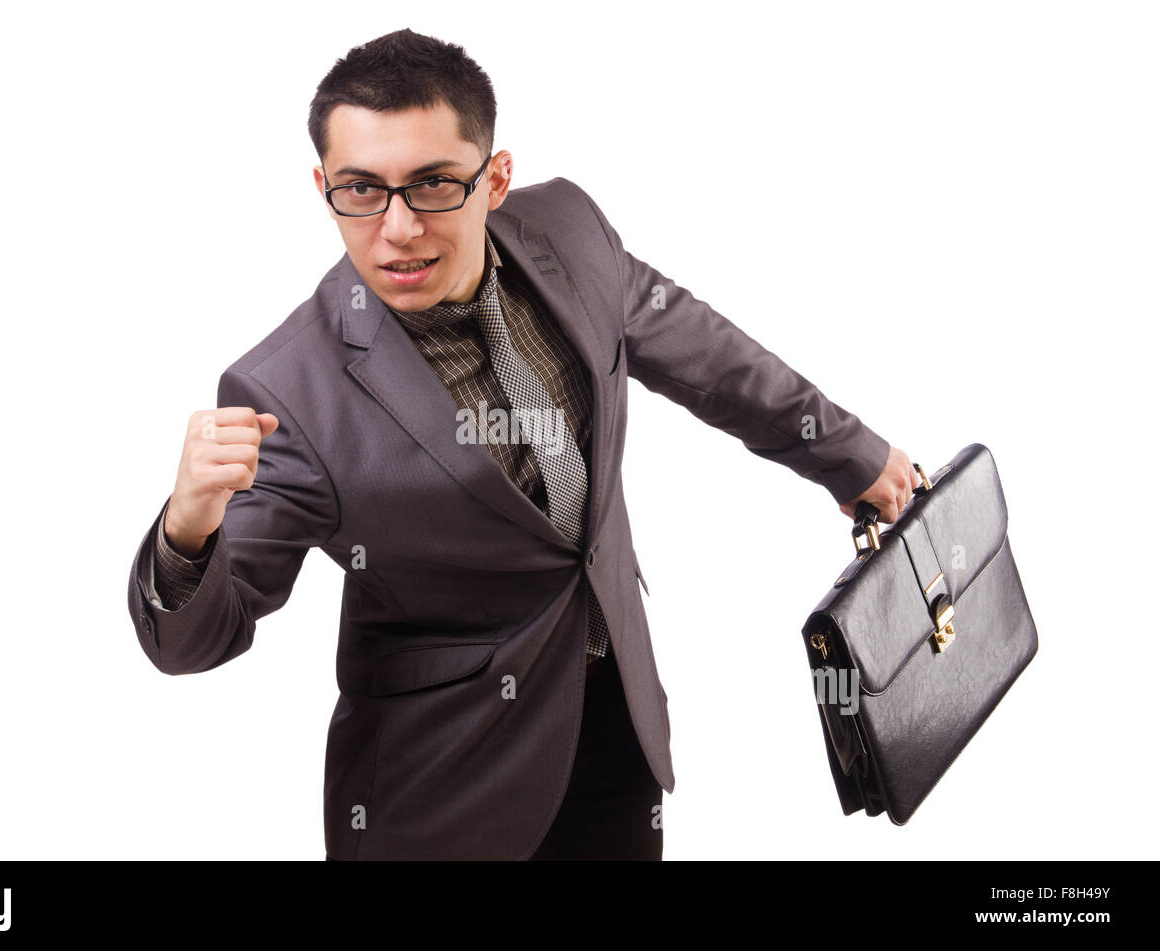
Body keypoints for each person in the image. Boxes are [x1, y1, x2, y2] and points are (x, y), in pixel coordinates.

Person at [126, 28, 919, 860]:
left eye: (432, 184)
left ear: (494, 179)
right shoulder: (290, 393)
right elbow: (195, 640)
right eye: (361, 190)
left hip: (616, 736)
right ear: (323, 187)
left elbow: (708, 358)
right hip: (439, 794)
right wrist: (187, 529)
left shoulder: (570, 232)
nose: (396, 228)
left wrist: (851, 454)